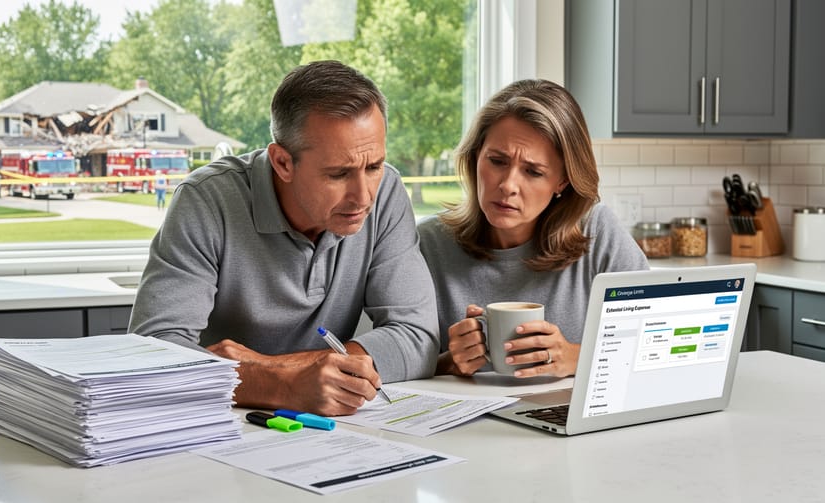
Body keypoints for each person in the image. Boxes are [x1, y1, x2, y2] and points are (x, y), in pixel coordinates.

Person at [130, 60, 439, 416]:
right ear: (282, 163)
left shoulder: (386, 193)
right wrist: (280, 384)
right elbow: (152, 351)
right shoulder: (206, 199)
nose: (364, 196)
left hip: (331, 429)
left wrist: (271, 369)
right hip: (218, 425)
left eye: (373, 167)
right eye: (338, 174)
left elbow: (418, 337)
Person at [417, 78, 648, 379]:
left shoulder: (597, 232)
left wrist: (575, 357)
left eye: (533, 171)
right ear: (475, 158)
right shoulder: (428, 244)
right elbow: (390, 365)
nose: (508, 185)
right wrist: (449, 362)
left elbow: (657, 339)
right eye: (497, 161)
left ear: (562, 181)